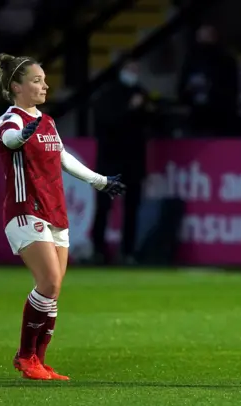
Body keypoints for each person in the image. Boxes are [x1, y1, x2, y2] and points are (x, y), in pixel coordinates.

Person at [0, 53, 125, 380]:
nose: (44, 85)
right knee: (48, 282)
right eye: (36, 81)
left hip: (55, 211)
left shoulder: (47, 122)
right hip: (26, 209)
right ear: (16, 87)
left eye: (44, 80)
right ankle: (24, 357)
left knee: (53, 291)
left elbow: (63, 157)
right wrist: (21, 137)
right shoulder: (11, 119)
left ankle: (39, 361)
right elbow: (9, 138)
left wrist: (99, 180)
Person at [92, 59, 154, 264]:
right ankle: (98, 250)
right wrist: (129, 109)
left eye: (136, 69)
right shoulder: (108, 95)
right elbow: (106, 122)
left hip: (133, 161)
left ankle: (128, 251)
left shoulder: (142, 94)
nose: (134, 73)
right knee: (104, 207)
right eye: (130, 68)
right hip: (110, 160)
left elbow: (150, 122)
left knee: (132, 208)